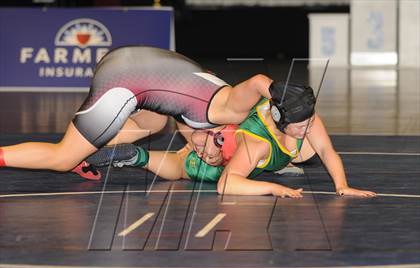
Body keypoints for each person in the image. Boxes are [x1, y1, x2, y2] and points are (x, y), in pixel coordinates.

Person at [0, 46, 274, 178]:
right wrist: (285, 100)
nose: (198, 150)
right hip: (123, 82)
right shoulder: (233, 111)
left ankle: (81, 153)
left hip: (125, 58)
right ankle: (69, 156)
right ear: (221, 133)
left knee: (153, 123)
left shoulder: (212, 111)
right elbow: (258, 82)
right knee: (61, 157)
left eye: (200, 155)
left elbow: (181, 162)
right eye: (207, 151)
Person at [88, 83, 376, 198]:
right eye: (301, 126)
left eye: (309, 122)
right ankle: (137, 156)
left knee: (198, 142)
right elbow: (227, 184)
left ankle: (174, 132)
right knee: (182, 165)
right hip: (216, 155)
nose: (308, 128)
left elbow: (327, 151)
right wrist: (273, 188)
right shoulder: (258, 143)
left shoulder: (301, 117)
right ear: (279, 122)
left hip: (217, 133)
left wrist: (342, 185)